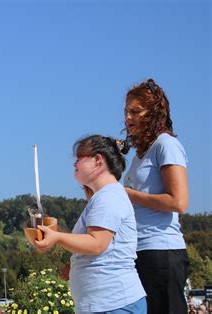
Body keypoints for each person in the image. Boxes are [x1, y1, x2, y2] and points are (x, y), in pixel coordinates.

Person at [34, 135, 146, 314]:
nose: (74, 164)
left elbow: (96, 244)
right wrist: (52, 230)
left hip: (114, 304)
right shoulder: (105, 196)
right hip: (107, 304)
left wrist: (57, 237)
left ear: (98, 160)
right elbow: (85, 241)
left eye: (79, 157)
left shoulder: (108, 197)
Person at [123, 78, 189, 314]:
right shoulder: (139, 156)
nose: (128, 118)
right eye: (126, 112)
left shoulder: (166, 145)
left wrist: (130, 194)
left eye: (135, 111)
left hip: (161, 252)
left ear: (153, 113)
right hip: (139, 252)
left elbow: (179, 202)